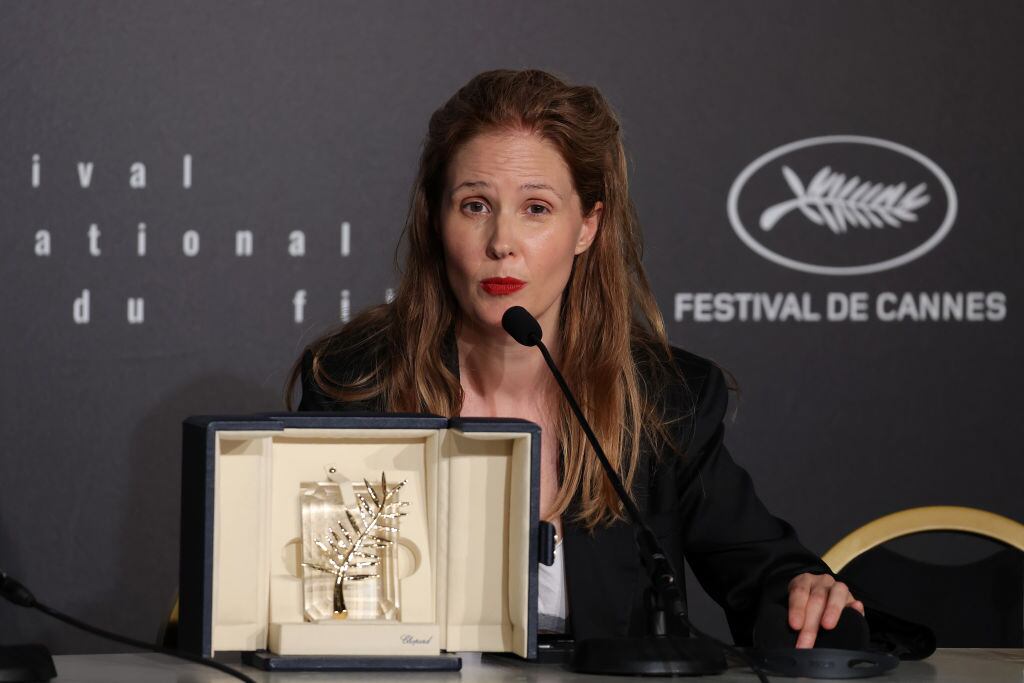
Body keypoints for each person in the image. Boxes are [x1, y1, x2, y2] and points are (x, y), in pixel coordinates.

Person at [288, 68, 862, 649]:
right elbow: (309, 606)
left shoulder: (663, 398)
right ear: (437, 221)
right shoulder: (356, 383)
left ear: (587, 226)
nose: (501, 242)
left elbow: (765, 577)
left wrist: (805, 594)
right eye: (475, 205)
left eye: (536, 208)